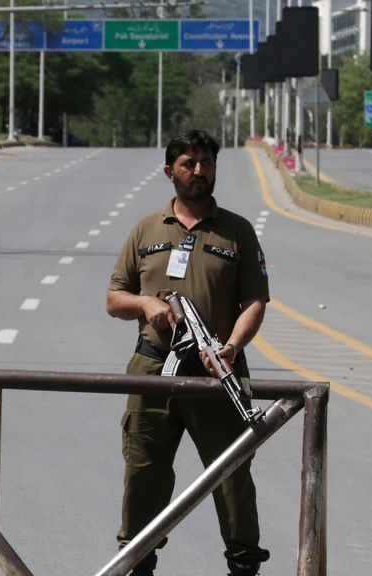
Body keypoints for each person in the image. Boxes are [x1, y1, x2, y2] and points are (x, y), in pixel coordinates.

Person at [105, 129, 271, 576]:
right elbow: (114, 298)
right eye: (189, 164)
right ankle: (138, 560)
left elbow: (255, 301)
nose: (199, 172)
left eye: (207, 164)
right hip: (153, 365)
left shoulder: (237, 230)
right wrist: (146, 303)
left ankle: (243, 563)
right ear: (169, 172)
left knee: (232, 474)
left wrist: (232, 348)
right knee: (144, 471)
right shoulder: (145, 229)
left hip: (216, 370)